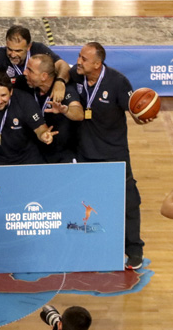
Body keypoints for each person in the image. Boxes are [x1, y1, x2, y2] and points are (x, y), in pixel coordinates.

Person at [69, 42, 152, 270]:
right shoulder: (75, 75)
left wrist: (143, 116)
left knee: (129, 202)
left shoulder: (117, 82)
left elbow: (135, 113)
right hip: (84, 152)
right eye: (79, 56)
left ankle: (134, 251)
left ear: (97, 64)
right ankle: (90, 248)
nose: (78, 61)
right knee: (86, 204)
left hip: (114, 154)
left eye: (84, 59)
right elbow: (59, 71)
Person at [0, 25, 70, 102]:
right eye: (10, 49)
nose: (13, 55)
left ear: (28, 47)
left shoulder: (38, 50)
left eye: (18, 51)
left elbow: (63, 65)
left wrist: (60, 81)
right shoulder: (1, 54)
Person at [21, 53, 84, 163]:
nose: (24, 72)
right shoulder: (24, 84)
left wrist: (65, 110)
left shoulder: (64, 91)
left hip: (62, 156)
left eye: (30, 70)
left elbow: (79, 113)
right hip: (34, 154)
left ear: (44, 76)